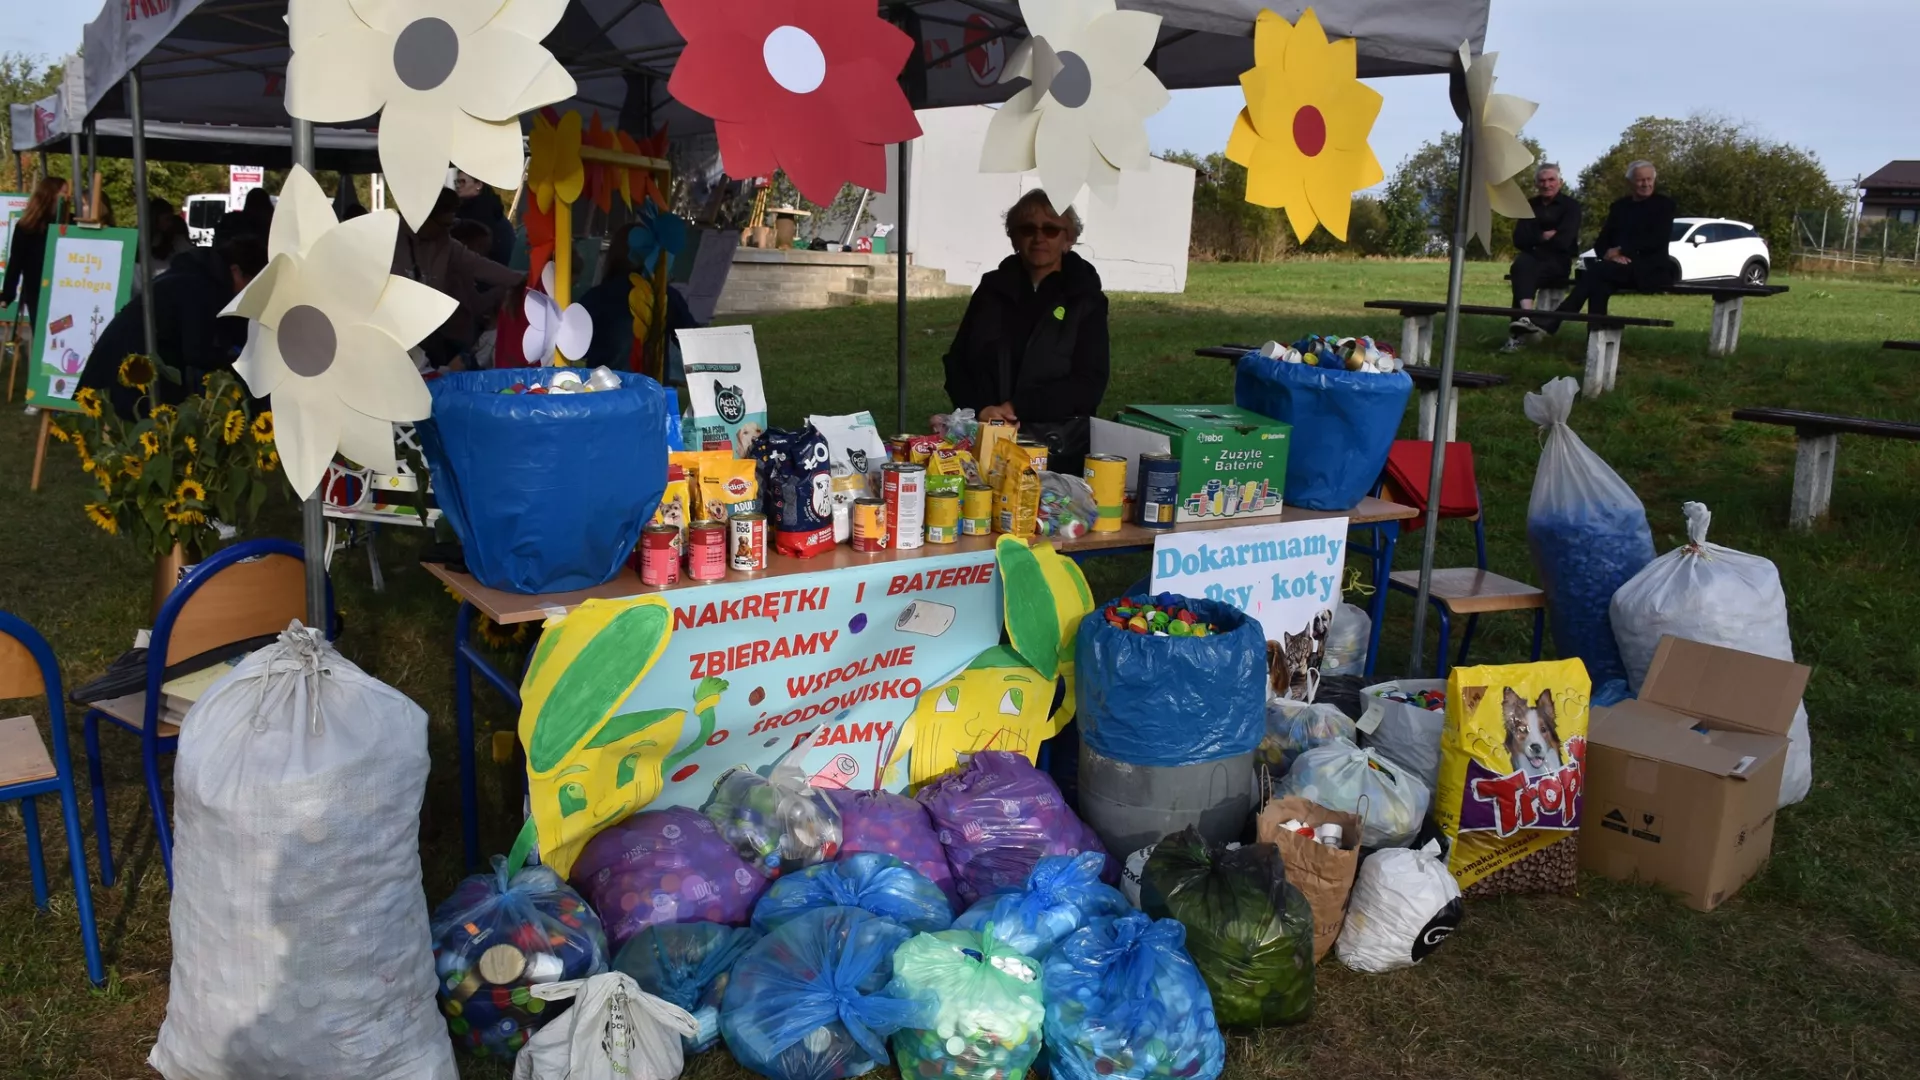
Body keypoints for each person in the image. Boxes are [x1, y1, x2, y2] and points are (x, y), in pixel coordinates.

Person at [941, 189, 1110, 474]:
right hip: (986, 440)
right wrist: (982, 408)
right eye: (1028, 229)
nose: (1039, 237)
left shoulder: (1086, 298)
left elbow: (1089, 383)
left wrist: (1016, 407)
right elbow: (957, 362)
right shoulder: (990, 291)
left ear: (1068, 238)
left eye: (1051, 229)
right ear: (1014, 238)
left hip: (1057, 452)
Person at [82, 220, 270, 416]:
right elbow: (197, 352)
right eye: (251, 285)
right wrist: (237, 360)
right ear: (235, 271)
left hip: (132, 365)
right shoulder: (201, 287)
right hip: (127, 373)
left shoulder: (199, 276)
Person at [1519, 160, 1677, 337]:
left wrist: (1621, 251)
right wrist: (1610, 255)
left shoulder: (1664, 205)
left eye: (1649, 179)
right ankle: (1594, 339)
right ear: (1630, 182)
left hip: (1650, 269)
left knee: (1596, 272)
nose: (1646, 184)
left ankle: (1561, 314)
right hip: (1615, 269)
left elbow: (1657, 239)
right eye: (1641, 180)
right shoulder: (1619, 207)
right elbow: (1601, 242)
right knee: (1598, 284)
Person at [393, 187, 524, 366]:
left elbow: (480, 266)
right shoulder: (389, 239)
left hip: (434, 337)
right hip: (397, 336)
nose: (447, 231)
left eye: (451, 224)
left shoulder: (446, 244)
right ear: (423, 218)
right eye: (444, 225)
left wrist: (520, 279)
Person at [1, 176, 71, 333]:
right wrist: (7, 295)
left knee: (62, 332)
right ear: (50, 194)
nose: (67, 197)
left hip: (65, 290)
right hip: (37, 291)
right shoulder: (27, 226)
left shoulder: (68, 222)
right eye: (63, 192)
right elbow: (16, 261)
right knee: (42, 332)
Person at [454, 171, 516, 266]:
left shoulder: (488, 213)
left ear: (478, 185)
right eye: (457, 182)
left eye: (462, 182)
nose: (458, 186)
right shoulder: (458, 211)